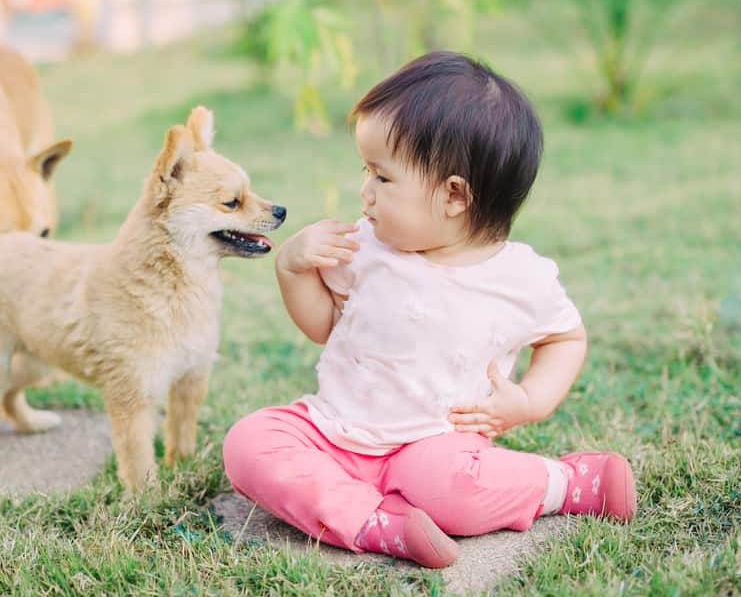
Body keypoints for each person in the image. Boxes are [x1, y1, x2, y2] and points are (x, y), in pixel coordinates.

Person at [222, 51, 636, 568]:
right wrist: (293, 269)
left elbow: (565, 339)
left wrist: (529, 399)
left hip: (435, 448)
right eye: (365, 171)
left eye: (382, 177)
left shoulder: (521, 280)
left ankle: (568, 483)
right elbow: (325, 325)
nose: (364, 192)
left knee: (456, 491)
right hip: (335, 431)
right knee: (249, 444)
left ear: (455, 196)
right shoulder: (367, 246)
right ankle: (378, 522)